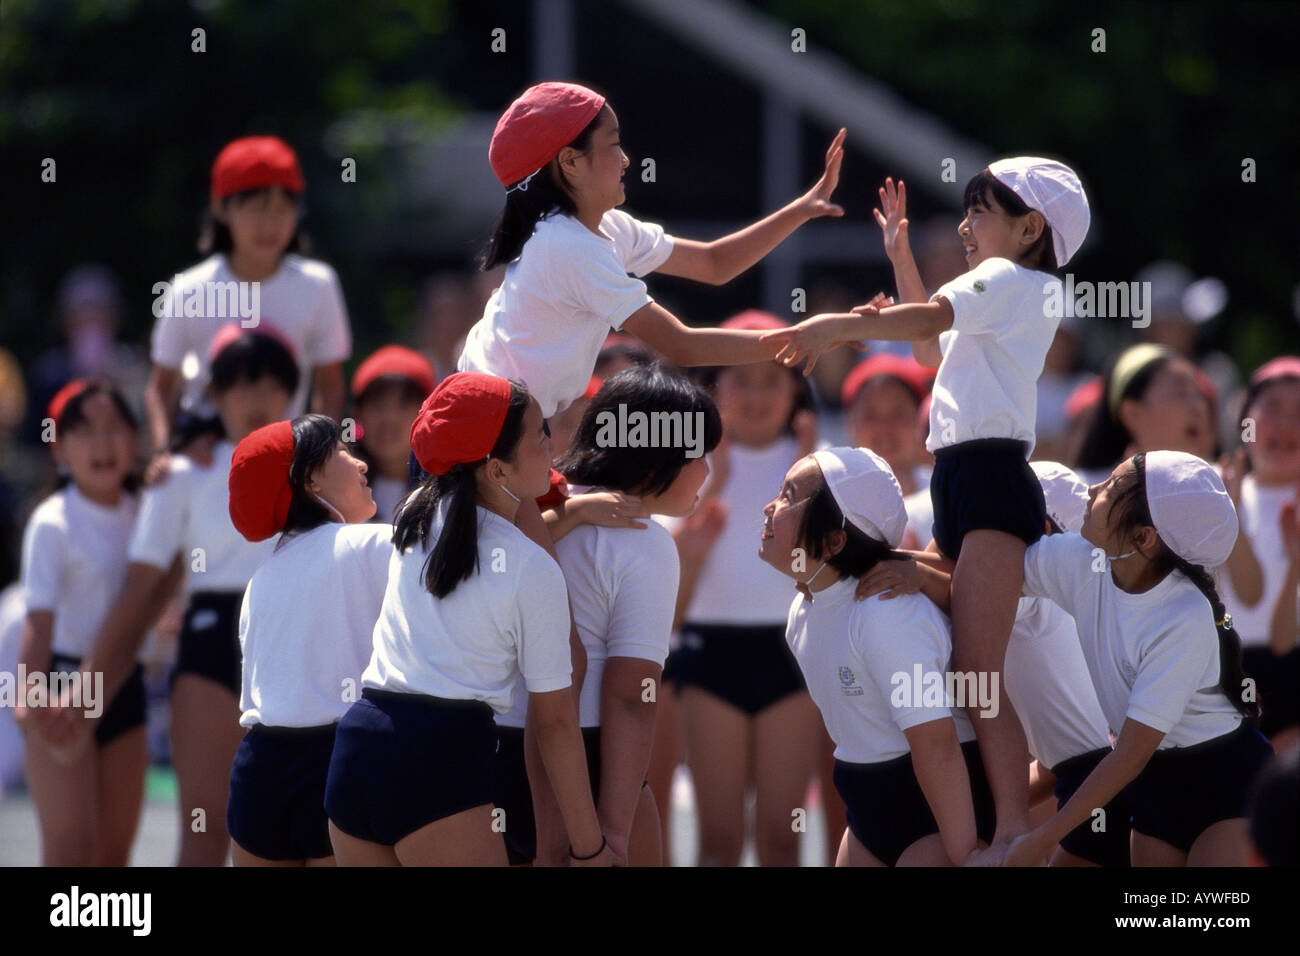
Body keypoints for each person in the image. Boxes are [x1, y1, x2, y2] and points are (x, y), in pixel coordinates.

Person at [763, 158, 1092, 853]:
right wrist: (901, 260)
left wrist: (829, 332)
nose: (967, 224)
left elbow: (931, 319)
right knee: (965, 653)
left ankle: (1004, 828)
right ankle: (997, 812)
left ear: (1030, 228)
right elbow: (927, 343)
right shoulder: (1007, 293)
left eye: (982, 211)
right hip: (965, 478)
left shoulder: (1009, 280)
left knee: (977, 674)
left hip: (990, 481)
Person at [323, 372, 614, 866]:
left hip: (356, 754)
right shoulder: (531, 569)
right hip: (441, 763)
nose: (552, 443)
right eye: (540, 433)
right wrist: (591, 848)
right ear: (498, 471)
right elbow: (557, 723)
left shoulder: (414, 513)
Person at [459, 81, 854, 422]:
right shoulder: (567, 245)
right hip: (482, 429)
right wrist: (806, 336)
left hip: (502, 424)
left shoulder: (603, 228)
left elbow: (713, 264)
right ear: (570, 162)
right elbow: (683, 345)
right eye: (614, 144)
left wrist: (800, 209)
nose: (627, 159)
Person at [68, 326, 298, 865]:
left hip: (297, 641)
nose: (257, 397)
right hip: (211, 640)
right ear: (213, 395)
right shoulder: (180, 473)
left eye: (270, 383)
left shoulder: (316, 466)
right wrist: (88, 679)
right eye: (240, 383)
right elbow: (141, 586)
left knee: (294, 830)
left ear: (292, 391)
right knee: (205, 826)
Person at [496, 365, 718, 866]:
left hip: (491, 750)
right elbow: (631, 695)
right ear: (655, 460)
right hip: (587, 756)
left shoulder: (526, 510)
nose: (708, 470)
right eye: (699, 453)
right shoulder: (645, 543)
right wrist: (611, 836)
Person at [1004, 451, 1271, 866]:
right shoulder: (1083, 561)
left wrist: (1043, 839)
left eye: (1110, 488)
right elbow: (991, 578)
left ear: (1143, 537)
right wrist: (910, 571)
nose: (1091, 489)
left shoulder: (1182, 615)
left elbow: (1130, 751)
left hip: (1228, 789)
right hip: (1155, 789)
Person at [859, 461, 1131, 866]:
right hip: (1094, 781)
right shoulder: (1059, 592)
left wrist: (903, 570)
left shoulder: (1036, 597)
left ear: (1041, 529)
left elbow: (967, 598)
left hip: (1099, 788)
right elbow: (1061, 765)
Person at [763, 447, 995, 866]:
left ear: (834, 540)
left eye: (787, 495)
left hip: (936, 813)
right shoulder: (804, 609)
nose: (769, 506)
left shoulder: (886, 611)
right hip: (867, 808)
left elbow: (937, 744)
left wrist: (965, 856)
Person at [224, 415, 391, 866]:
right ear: (311, 478)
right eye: (342, 451)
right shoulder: (368, 546)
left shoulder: (260, 580)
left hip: (258, 771)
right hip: (337, 763)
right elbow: (462, 550)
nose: (360, 463)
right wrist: (571, 512)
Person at [144, 136, 351, 480]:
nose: (270, 223)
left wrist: (320, 454)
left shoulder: (318, 284)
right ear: (222, 207)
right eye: (256, 207)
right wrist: (165, 452)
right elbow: (162, 386)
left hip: (287, 456)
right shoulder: (189, 289)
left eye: (283, 208)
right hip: (203, 456)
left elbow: (329, 385)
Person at [16, 381, 147, 865]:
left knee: (113, 852)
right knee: (68, 848)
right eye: (85, 431)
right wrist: (29, 699)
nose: (102, 442)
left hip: (125, 685)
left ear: (134, 438)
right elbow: (39, 622)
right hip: (62, 681)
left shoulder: (144, 515)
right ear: (60, 448)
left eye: (114, 427)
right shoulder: (53, 521)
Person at [1223, 357, 1300, 750]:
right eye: (1273, 408)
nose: (1286, 424)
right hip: (1227, 679)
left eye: (1298, 412)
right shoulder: (1216, 494)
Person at [349, 346, 435, 523]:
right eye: (378, 404)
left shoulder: (447, 496)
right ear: (357, 415)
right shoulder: (335, 495)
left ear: (428, 415)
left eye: (403, 404)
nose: (389, 418)